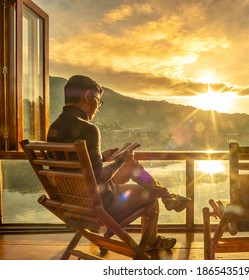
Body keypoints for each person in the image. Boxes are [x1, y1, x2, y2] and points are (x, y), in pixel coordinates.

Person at [47, 74, 191, 251]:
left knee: (133, 166)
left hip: (74, 203)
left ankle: (167, 196)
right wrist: (120, 160)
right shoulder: (89, 129)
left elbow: (76, 167)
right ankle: (154, 235)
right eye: (98, 101)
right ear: (86, 96)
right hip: (100, 204)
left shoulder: (54, 127)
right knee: (149, 194)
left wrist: (102, 157)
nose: (97, 108)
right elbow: (98, 176)